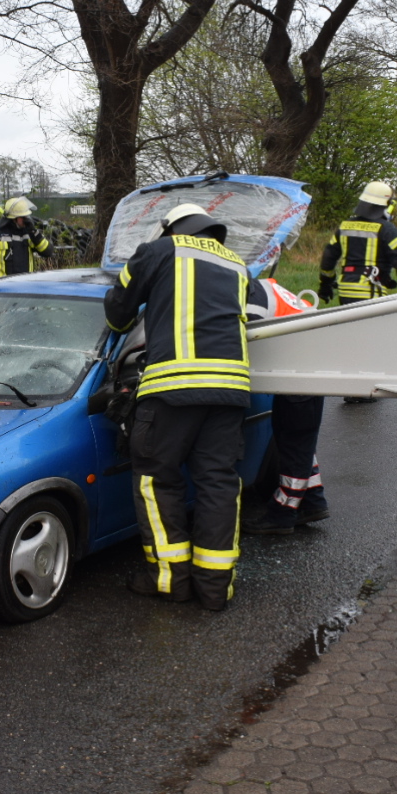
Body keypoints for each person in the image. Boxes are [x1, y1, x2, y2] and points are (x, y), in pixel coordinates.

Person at [104, 203, 249, 611]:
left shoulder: (160, 250)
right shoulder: (237, 263)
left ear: (168, 227)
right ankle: (215, 587)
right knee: (218, 482)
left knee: (157, 479)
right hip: (231, 390)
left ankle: (169, 580)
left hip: (171, 389)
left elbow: (118, 312)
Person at [240, 278, 330, 536]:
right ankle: (313, 502)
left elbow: (247, 341)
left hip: (300, 372)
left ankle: (282, 514)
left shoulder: (251, 300)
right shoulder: (261, 286)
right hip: (305, 367)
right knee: (296, 443)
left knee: (294, 443)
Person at [317, 180, 397, 305]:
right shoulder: (387, 229)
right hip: (371, 291)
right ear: (386, 205)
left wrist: (325, 284)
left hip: (345, 290)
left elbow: (328, 256)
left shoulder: (345, 226)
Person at [0, 197, 51, 279]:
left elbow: (48, 252)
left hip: (26, 285)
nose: (26, 220)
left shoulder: (30, 234)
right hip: (4, 287)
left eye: (26, 217)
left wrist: (34, 233)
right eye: (23, 217)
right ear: (13, 218)